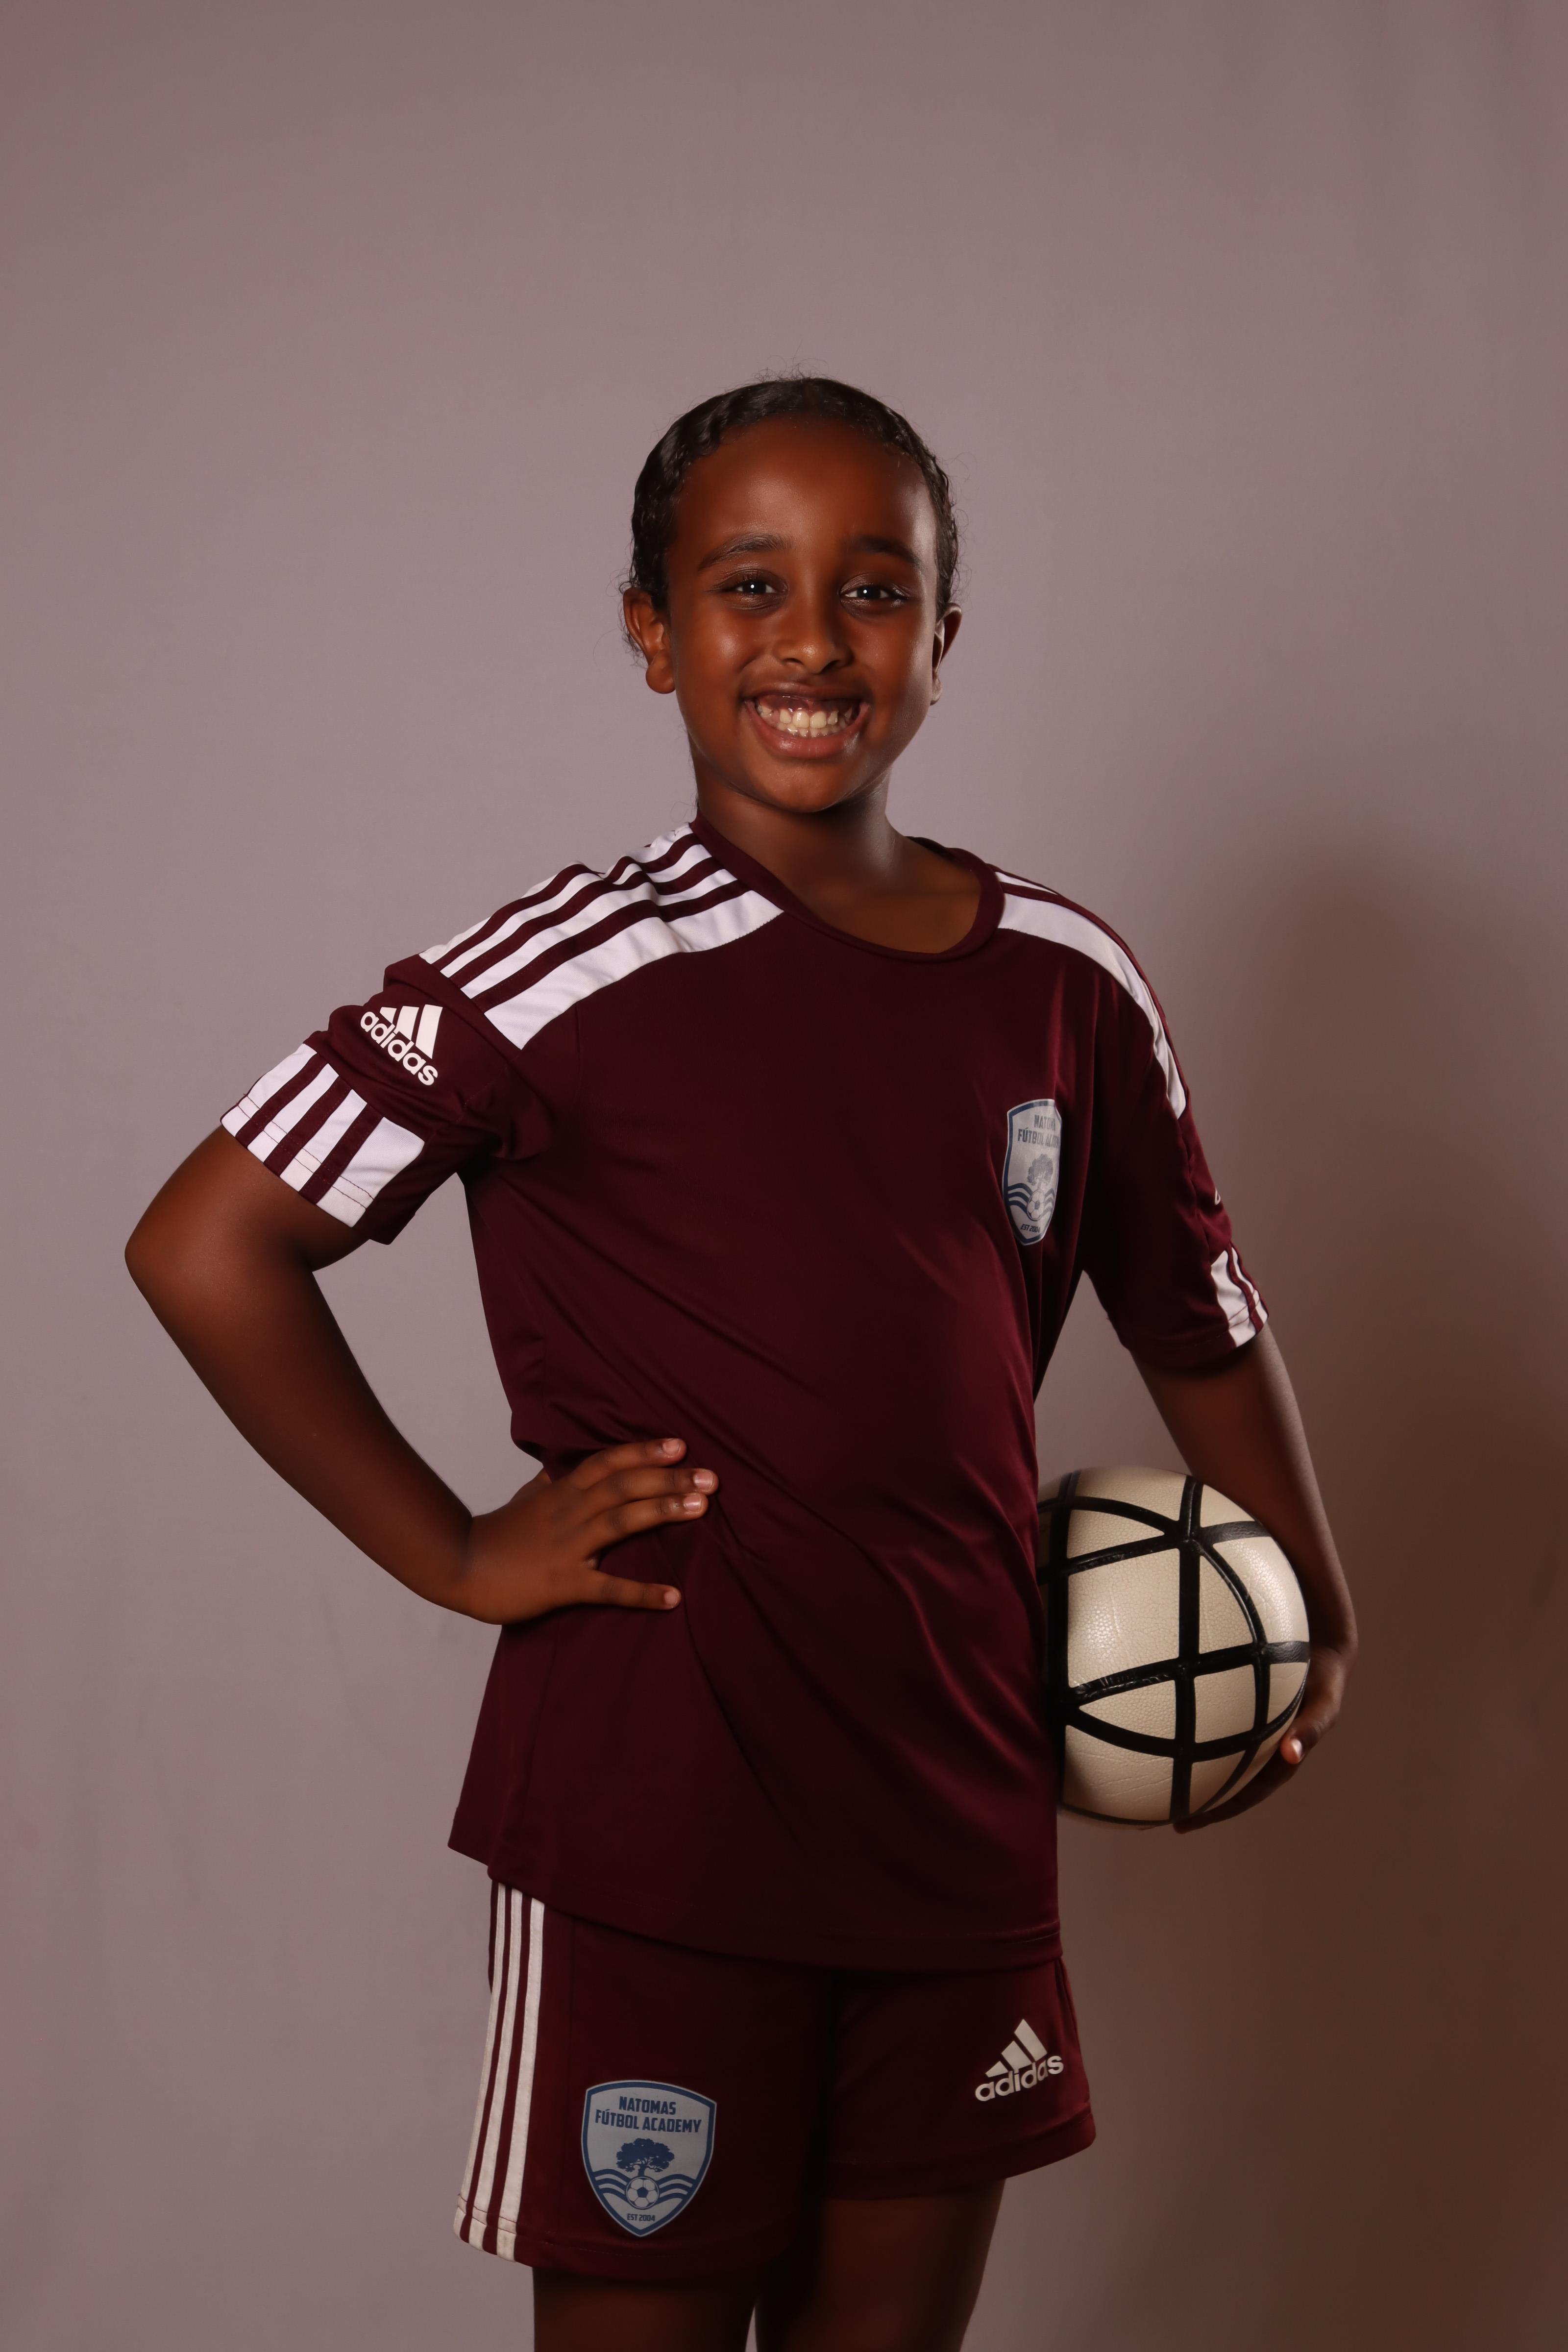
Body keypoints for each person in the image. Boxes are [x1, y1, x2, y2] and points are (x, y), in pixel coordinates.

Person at [125, 376, 1357, 2352]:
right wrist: (454, 1551)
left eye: (873, 587)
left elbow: (1193, 1312)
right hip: (662, 1826)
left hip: (958, 1808)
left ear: (943, 635)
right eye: (746, 585)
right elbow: (206, 1243)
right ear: (651, 630)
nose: (811, 640)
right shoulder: (565, 966)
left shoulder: (1067, 981)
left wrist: (1310, 1613)